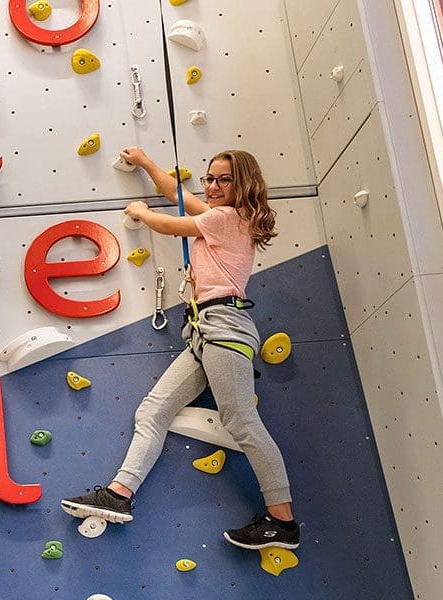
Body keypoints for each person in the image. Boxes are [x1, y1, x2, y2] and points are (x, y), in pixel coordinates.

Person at [61, 147, 300, 549]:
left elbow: (170, 225)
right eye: (209, 178)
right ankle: (120, 495)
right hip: (204, 332)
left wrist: (139, 210)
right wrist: (146, 164)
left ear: (242, 185)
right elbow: (175, 191)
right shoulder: (218, 214)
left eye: (224, 179)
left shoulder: (227, 217)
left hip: (224, 327)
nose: (212, 186)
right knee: (152, 411)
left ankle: (283, 522)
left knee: (240, 419)